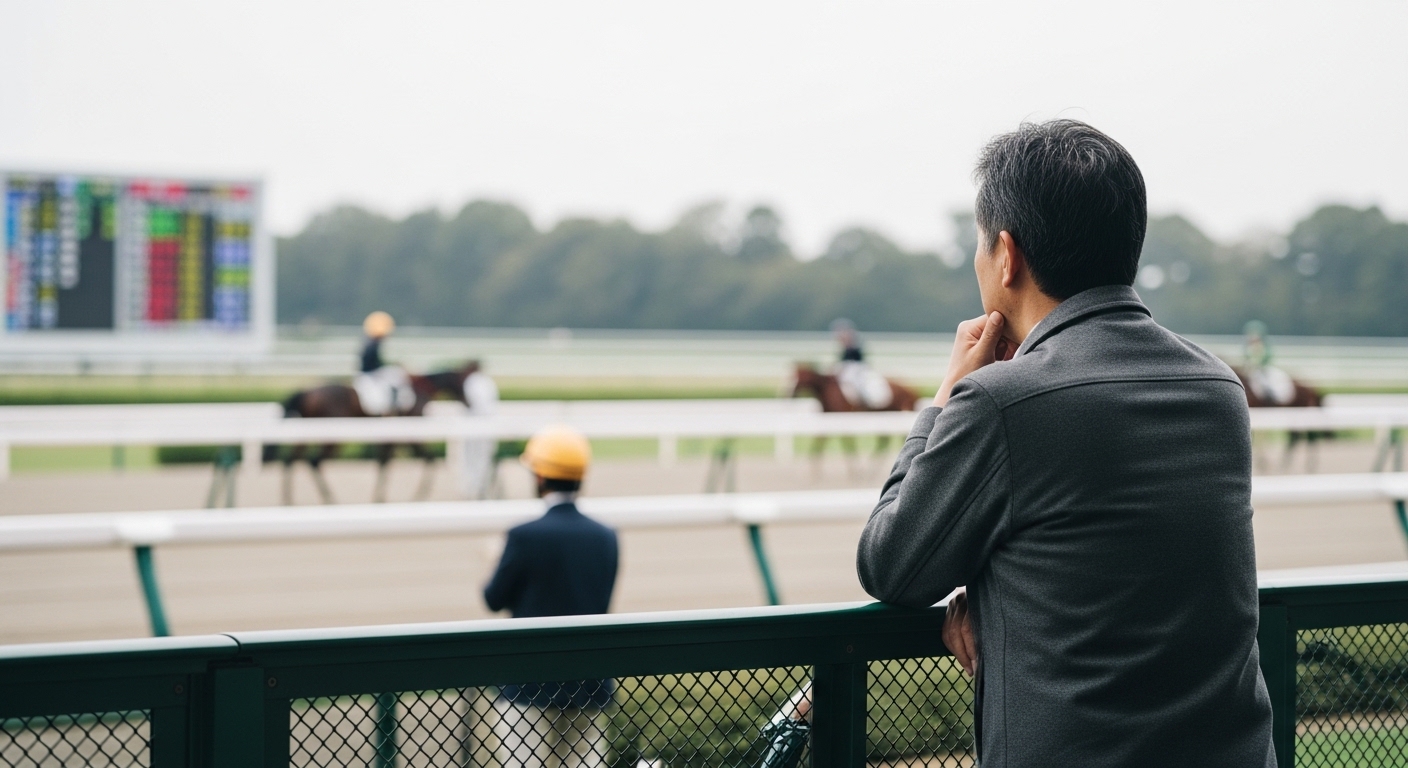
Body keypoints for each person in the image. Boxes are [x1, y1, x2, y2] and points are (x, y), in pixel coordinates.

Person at [855, 120, 1275, 767]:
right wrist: (1005, 600)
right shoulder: (1216, 387)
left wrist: (943, 398)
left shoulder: (1001, 402)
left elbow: (892, 565)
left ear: (1007, 255)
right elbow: (1114, 558)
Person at [483, 425, 619, 768]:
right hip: (589, 684)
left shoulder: (523, 536)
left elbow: (494, 598)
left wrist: (499, 560)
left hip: (528, 686)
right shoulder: (605, 536)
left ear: (540, 476)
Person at [353, 311, 414, 415]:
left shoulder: (369, 341)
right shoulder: (373, 343)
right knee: (397, 375)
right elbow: (373, 362)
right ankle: (396, 405)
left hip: (369, 371)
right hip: (371, 372)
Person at [830, 318, 891, 409]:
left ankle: (867, 400)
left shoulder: (855, 347)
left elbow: (859, 362)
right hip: (848, 370)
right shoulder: (844, 349)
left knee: (858, 383)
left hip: (857, 370)